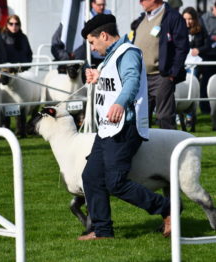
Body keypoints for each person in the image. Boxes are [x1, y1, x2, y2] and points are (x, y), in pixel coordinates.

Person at [78, 14, 171, 240]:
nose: (92, 48)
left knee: (115, 183)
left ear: (103, 35)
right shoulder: (111, 57)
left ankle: (167, 209)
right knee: (90, 176)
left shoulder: (128, 53)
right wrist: (97, 75)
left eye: (92, 42)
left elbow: (131, 81)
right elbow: (115, 80)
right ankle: (102, 231)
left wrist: (120, 102)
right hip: (108, 128)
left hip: (124, 128)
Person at [131, 0, 189, 130]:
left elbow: (182, 47)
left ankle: (172, 149)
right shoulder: (142, 19)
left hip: (162, 76)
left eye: (142, 0)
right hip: (142, 76)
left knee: (164, 117)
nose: (140, 2)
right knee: (140, 117)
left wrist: (172, 73)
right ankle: (143, 149)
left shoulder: (172, 17)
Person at [90, 0, 112, 67]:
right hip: (94, 56)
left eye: (104, 4)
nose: (102, 7)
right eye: (99, 5)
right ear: (93, 4)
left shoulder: (108, 14)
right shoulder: (88, 16)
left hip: (107, 54)